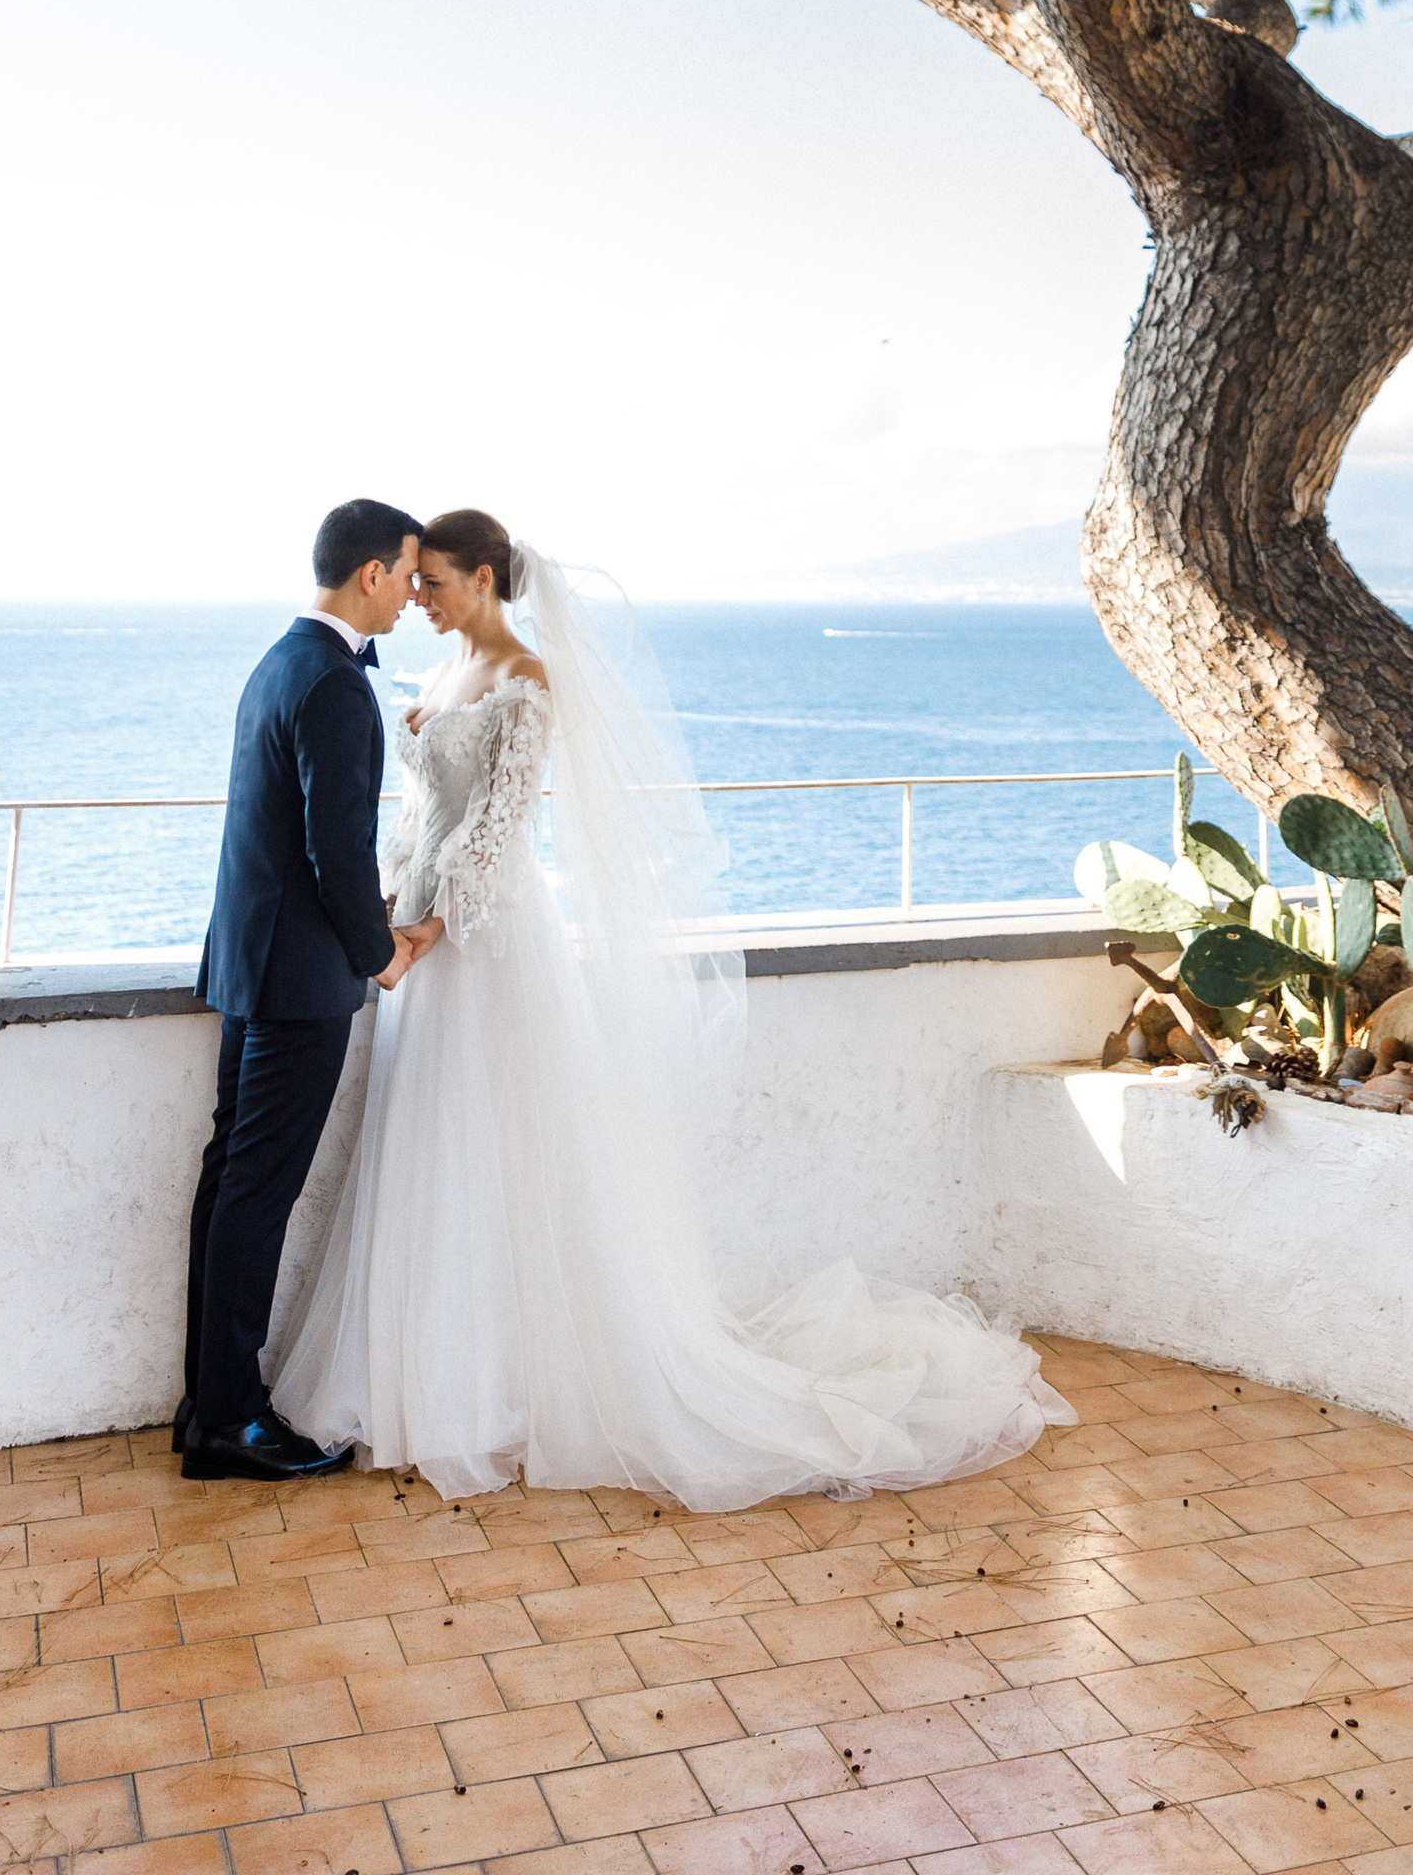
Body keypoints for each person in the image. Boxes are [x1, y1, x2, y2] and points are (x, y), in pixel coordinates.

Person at [267, 507, 1071, 1503]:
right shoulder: (436, 677)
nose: (418, 600)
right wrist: (398, 904)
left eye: (433, 583)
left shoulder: (529, 682)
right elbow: (424, 817)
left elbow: (497, 828)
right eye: (414, 583)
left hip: (485, 939)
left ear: (482, 578)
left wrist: (425, 933)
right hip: (425, 941)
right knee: (433, 1145)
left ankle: (507, 1386)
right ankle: (430, 1377)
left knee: (498, 1145)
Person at [178, 498, 431, 1485]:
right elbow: (335, 853)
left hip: (249, 963)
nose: (412, 596)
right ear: (371, 573)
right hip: (297, 982)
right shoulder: (331, 684)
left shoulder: (279, 660)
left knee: (229, 1185)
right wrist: (380, 954)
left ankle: (209, 1405)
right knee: (256, 1193)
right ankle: (230, 1422)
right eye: (407, 576)